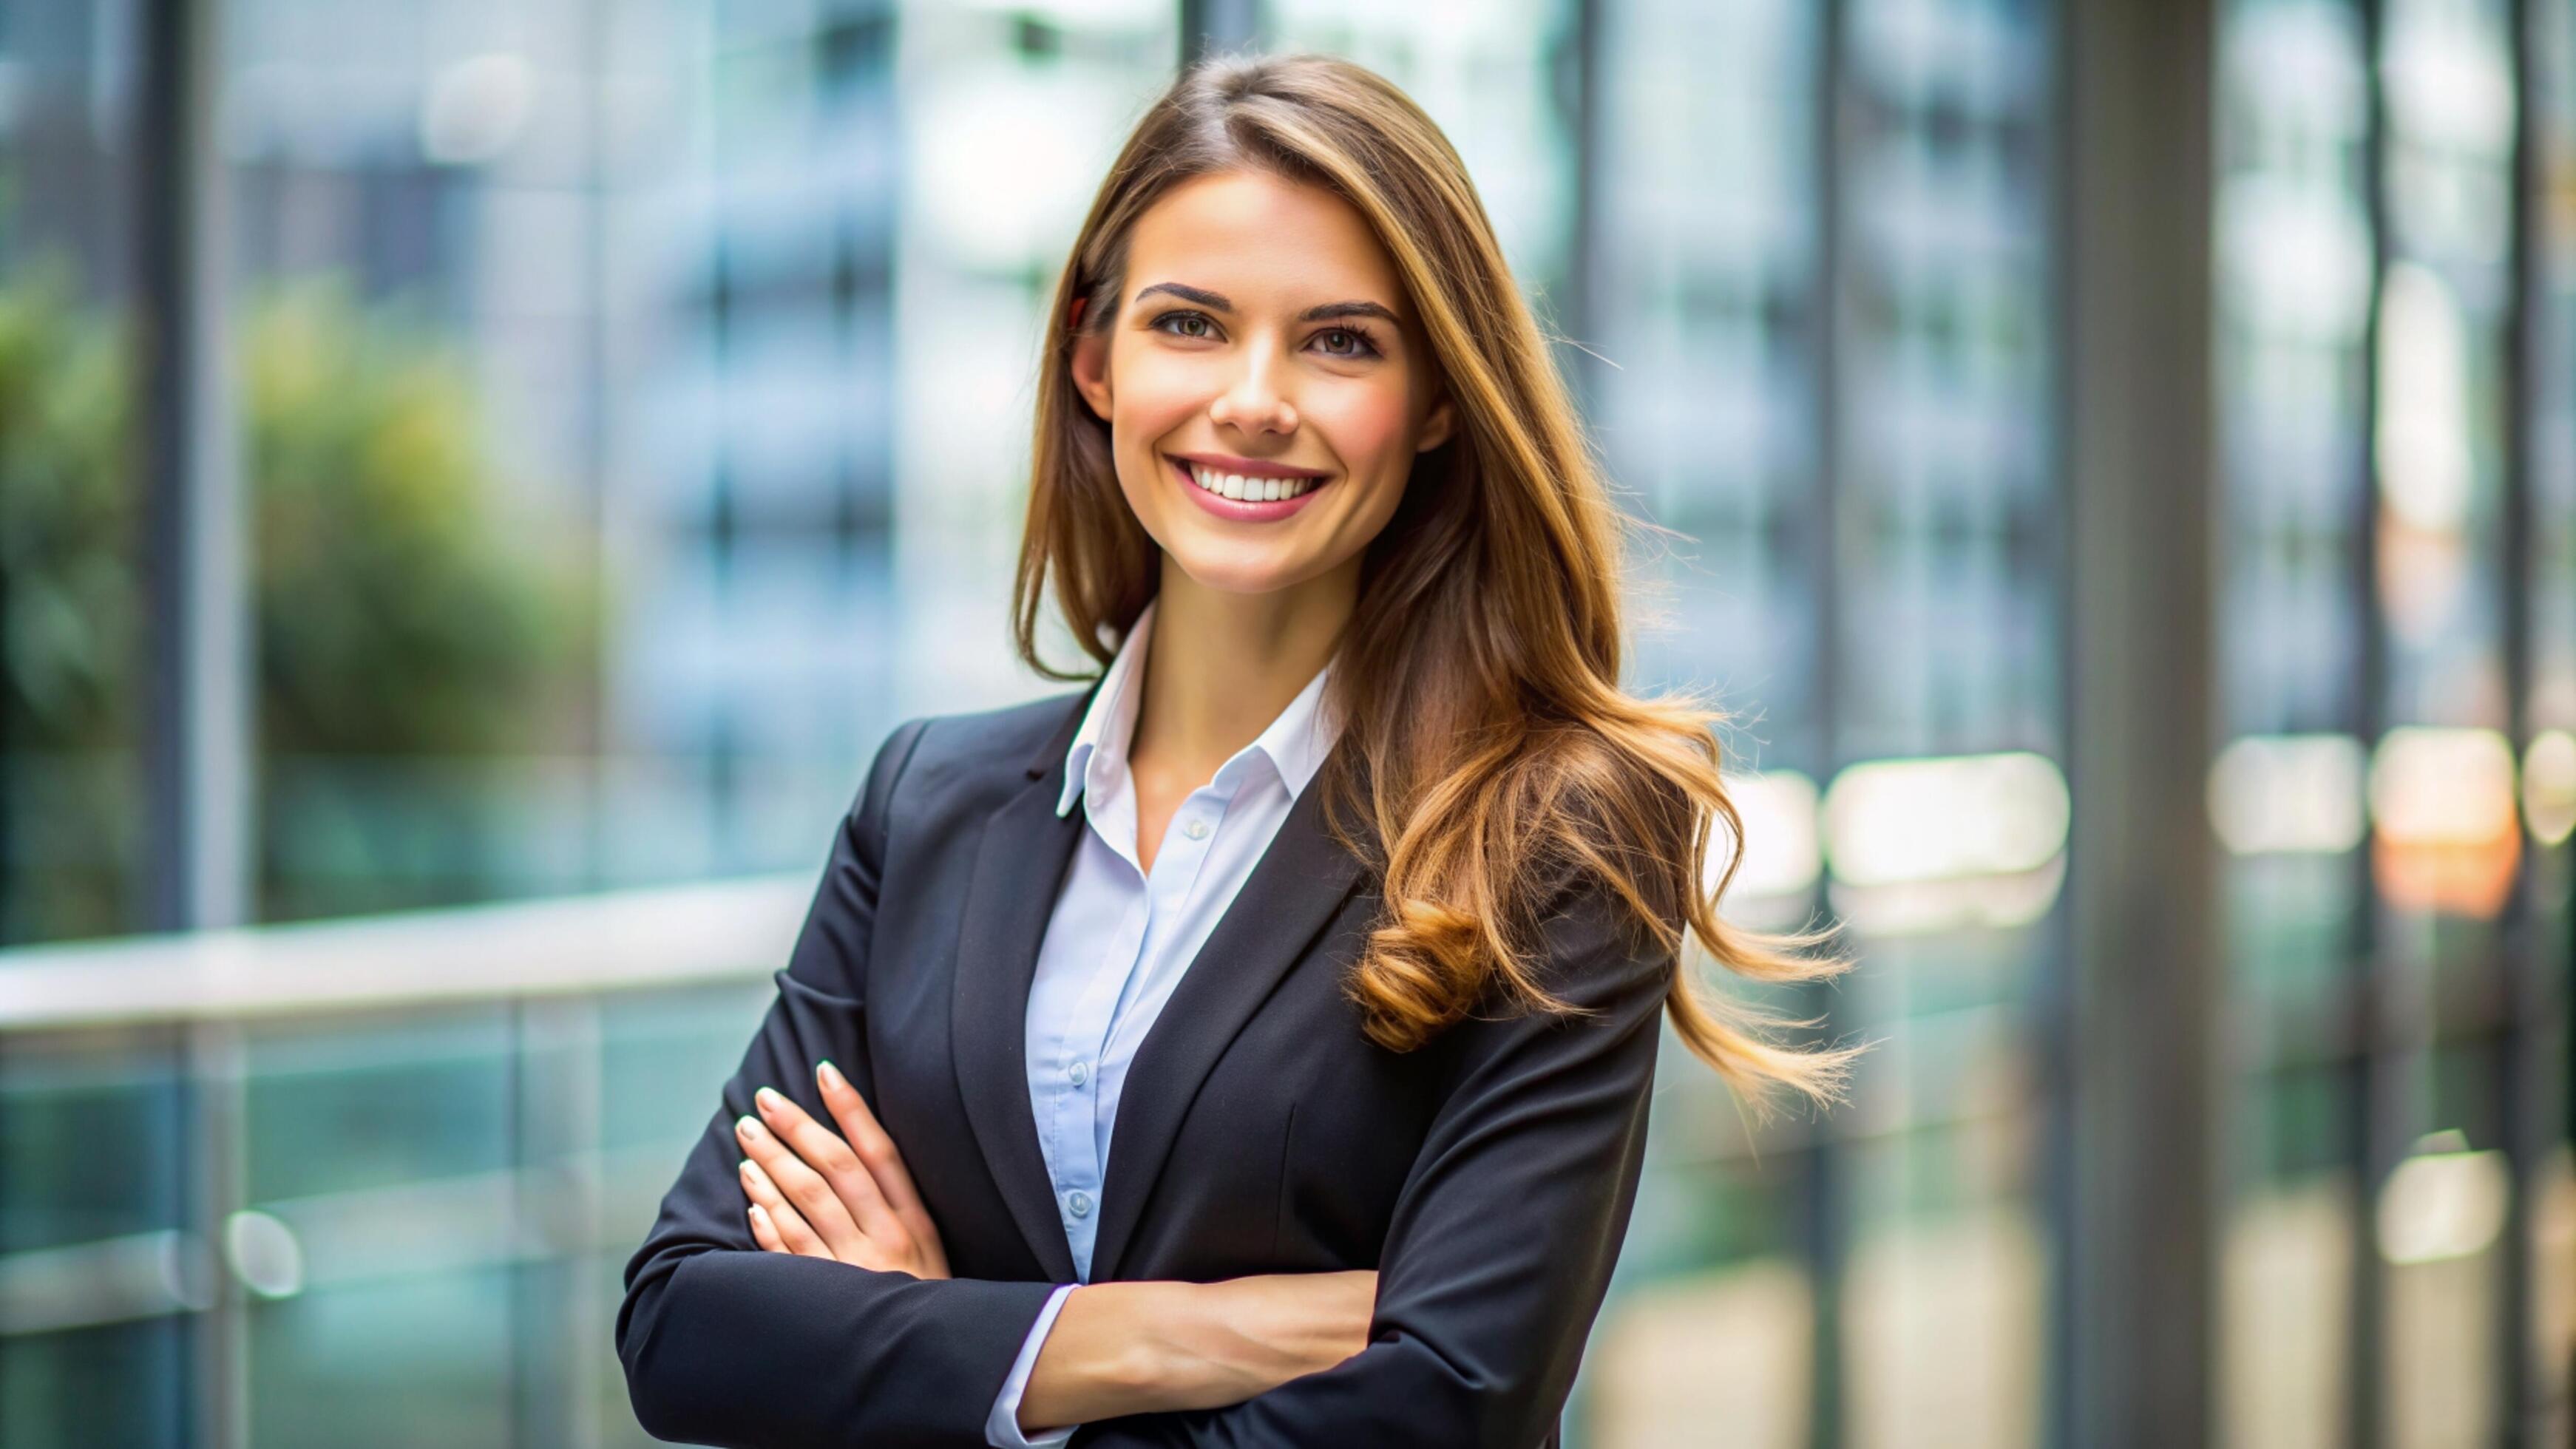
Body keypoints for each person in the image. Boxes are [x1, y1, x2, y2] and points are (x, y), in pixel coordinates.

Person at [616, 50, 1855, 1449]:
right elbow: (685, 1325)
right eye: (1190, 324)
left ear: (1438, 398)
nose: (1256, 398)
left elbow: (1443, 1409)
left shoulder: (1555, 834)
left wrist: (933, 1345)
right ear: (1095, 358)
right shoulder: (926, 803)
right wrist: (1158, 1337)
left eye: (1340, 341)